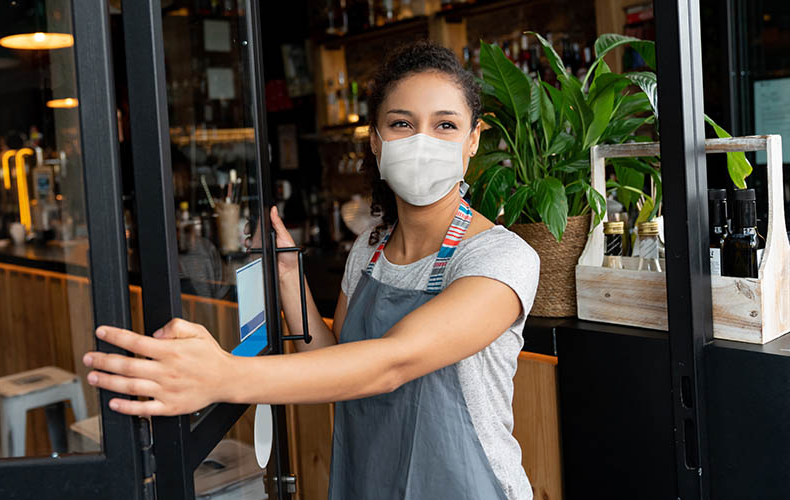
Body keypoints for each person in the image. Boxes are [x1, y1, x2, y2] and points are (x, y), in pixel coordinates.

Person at [82, 40, 540, 500]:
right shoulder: (370, 249)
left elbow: (392, 362)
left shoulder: (499, 258)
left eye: (445, 125)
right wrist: (287, 275)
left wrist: (222, 377)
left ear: (473, 140)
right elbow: (338, 359)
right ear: (376, 142)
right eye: (402, 123)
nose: (423, 141)